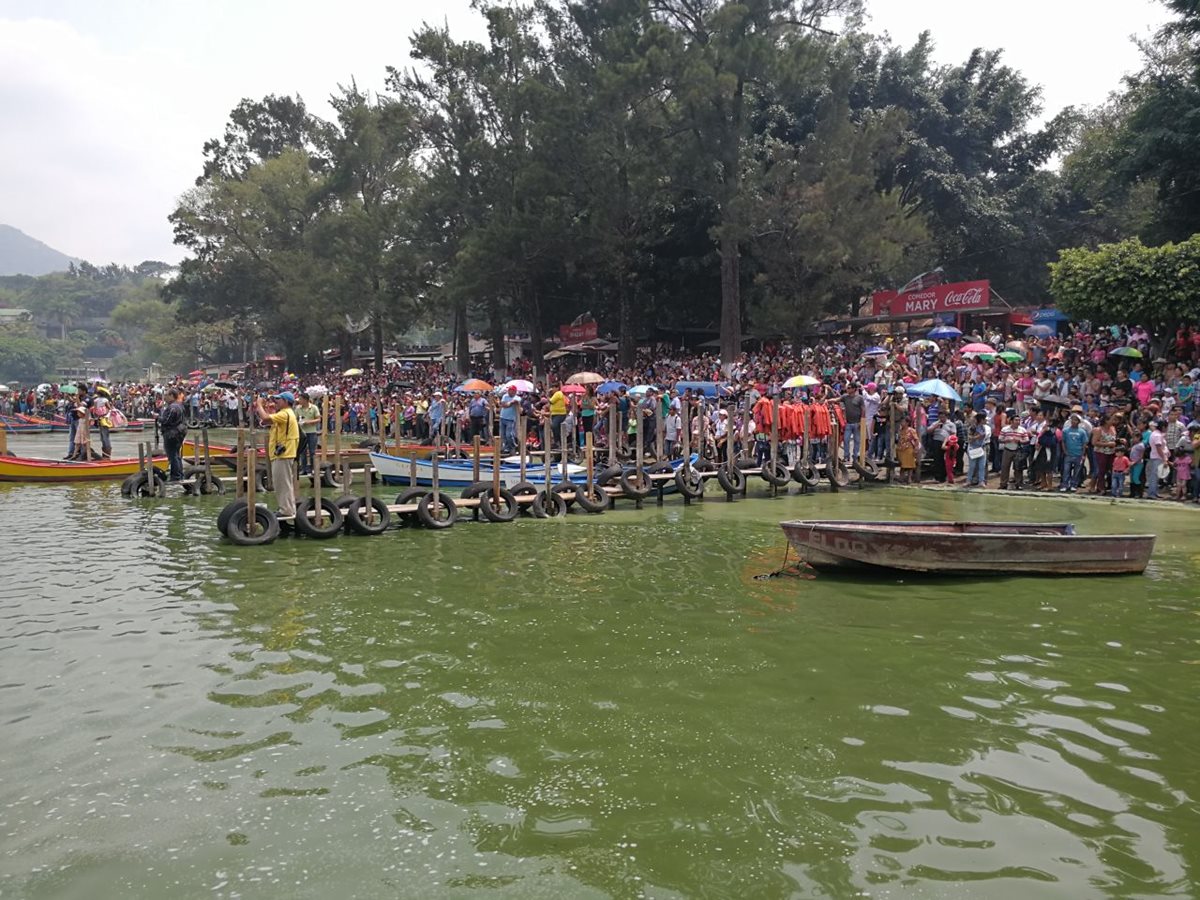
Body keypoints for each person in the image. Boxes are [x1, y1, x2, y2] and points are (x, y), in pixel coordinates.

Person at [254, 391, 299, 517]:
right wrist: (268, 409)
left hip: (283, 454)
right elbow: (266, 422)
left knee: (282, 484)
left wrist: (259, 405)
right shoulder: (283, 414)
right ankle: (288, 508)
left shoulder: (285, 413)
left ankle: (286, 510)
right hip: (282, 454)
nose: (275, 402)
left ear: (285, 401)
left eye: (278, 400)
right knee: (283, 483)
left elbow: (265, 418)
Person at [158, 388, 188, 481]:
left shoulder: (173, 407)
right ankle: (179, 474)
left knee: (172, 455)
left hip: (172, 434)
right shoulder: (180, 406)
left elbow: (166, 420)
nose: (165, 397)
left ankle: (176, 476)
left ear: (171, 396)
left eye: (167, 395)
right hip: (179, 432)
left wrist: (158, 418)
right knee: (176, 454)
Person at [1059, 412, 1088, 492]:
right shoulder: (1065, 430)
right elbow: (1063, 442)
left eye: (1075, 420)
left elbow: (1084, 443)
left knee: (1077, 471)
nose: (1073, 421)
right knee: (1066, 470)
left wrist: (1083, 454)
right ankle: (1065, 484)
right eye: (1072, 420)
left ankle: (1074, 485)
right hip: (1068, 454)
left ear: (1079, 422)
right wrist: (1065, 451)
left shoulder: (1082, 432)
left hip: (1078, 454)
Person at [295, 392, 321, 475]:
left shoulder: (314, 408)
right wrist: (298, 423)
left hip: (312, 432)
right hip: (302, 433)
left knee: (312, 451)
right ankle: (304, 469)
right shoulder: (298, 408)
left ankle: (313, 469)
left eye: (300, 399)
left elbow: (318, 419)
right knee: (302, 452)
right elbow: (295, 419)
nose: (299, 401)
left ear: (305, 400)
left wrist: (308, 422)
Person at [499, 384, 520, 453]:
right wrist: (510, 403)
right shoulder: (505, 396)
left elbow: (513, 403)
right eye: (509, 390)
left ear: (514, 391)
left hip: (510, 419)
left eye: (511, 390)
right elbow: (503, 405)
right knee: (503, 435)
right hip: (502, 417)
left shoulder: (517, 398)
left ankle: (513, 446)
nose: (509, 391)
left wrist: (509, 403)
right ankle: (507, 447)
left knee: (509, 435)